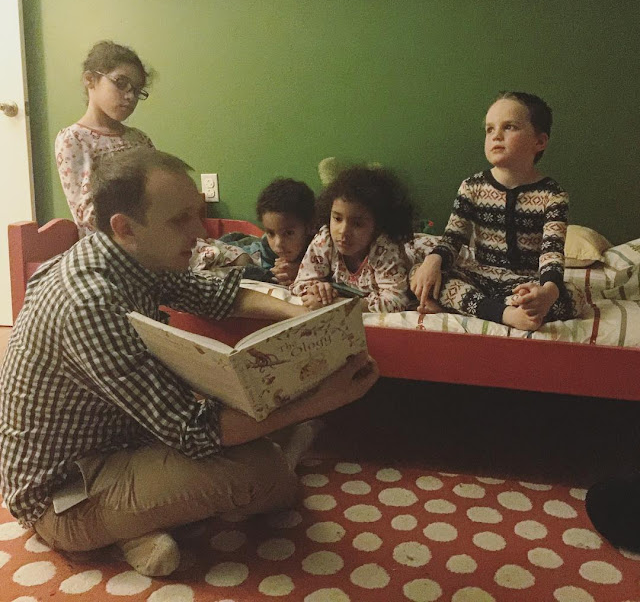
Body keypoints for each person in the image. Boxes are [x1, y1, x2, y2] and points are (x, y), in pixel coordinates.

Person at [0, 148, 379, 577]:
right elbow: (197, 431)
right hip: (65, 493)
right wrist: (322, 399)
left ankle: (137, 523)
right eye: (179, 220)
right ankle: (119, 528)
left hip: (120, 438)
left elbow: (213, 294)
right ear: (125, 228)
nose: (199, 232)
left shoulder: (127, 255)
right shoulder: (90, 302)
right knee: (265, 474)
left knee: (252, 425)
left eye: (196, 214)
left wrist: (298, 314)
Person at [410, 91, 584, 331]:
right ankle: (505, 314)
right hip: (479, 277)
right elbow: (452, 238)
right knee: (418, 273)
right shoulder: (472, 186)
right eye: (489, 129)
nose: (496, 135)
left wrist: (547, 292)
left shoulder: (553, 195)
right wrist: (433, 261)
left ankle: (486, 308)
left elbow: (551, 253)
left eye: (509, 127)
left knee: (575, 296)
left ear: (539, 142)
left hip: (524, 283)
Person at [55, 40, 154, 237]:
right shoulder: (74, 139)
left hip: (149, 235)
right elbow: (88, 215)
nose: (130, 96)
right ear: (90, 80)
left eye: (136, 90)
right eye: (121, 83)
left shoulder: (139, 139)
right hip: (111, 243)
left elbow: (158, 189)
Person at [291, 166, 413, 313]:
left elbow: (397, 301)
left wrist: (337, 304)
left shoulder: (384, 248)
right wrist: (317, 289)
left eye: (357, 224)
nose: (343, 231)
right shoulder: (325, 239)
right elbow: (300, 283)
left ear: (378, 226)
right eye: (337, 218)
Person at [191, 178, 316, 287]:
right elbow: (266, 273)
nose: (278, 244)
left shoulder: (318, 246)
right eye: (271, 233)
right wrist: (277, 273)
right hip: (246, 250)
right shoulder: (267, 247)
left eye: (288, 233)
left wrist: (302, 270)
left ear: (310, 227)